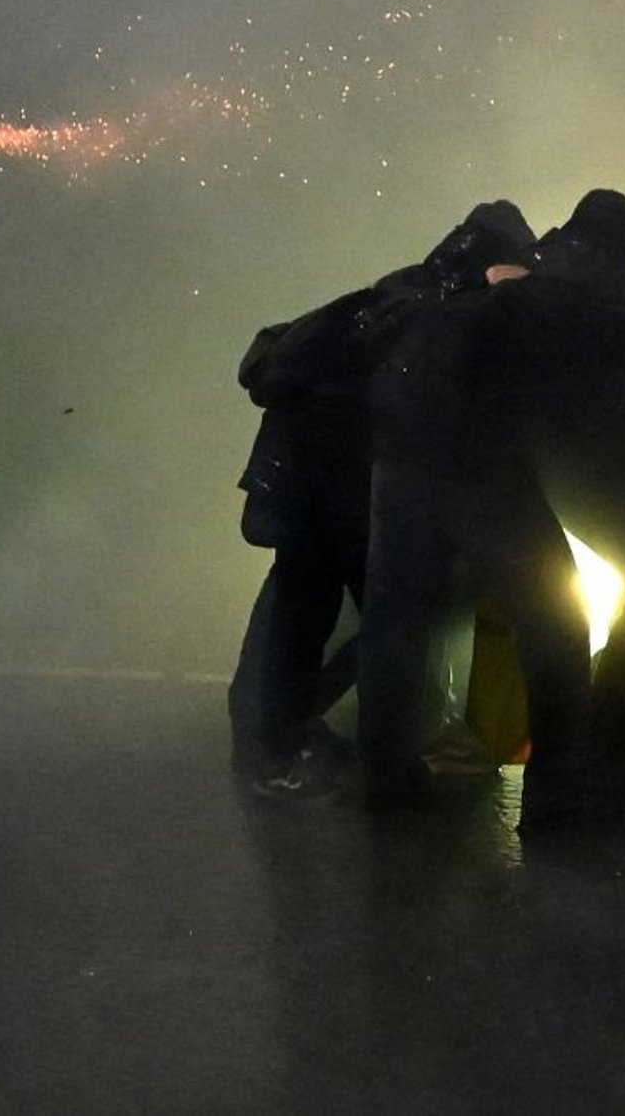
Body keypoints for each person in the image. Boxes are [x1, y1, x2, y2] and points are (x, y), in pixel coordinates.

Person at [354, 189, 625, 827]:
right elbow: (575, 411)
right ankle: (557, 797)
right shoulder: (573, 293)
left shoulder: (474, 286)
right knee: (557, 624)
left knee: (397, 624)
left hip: (404, 458)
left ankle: (386, 786)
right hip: (482, 471)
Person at [225, 200, 536, 798]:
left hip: (313, 482)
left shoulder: (400, 293)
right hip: (326, 488)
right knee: (321, 620)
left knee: (314, 616)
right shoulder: (433, 310)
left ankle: (287, 739)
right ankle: (278, 753)